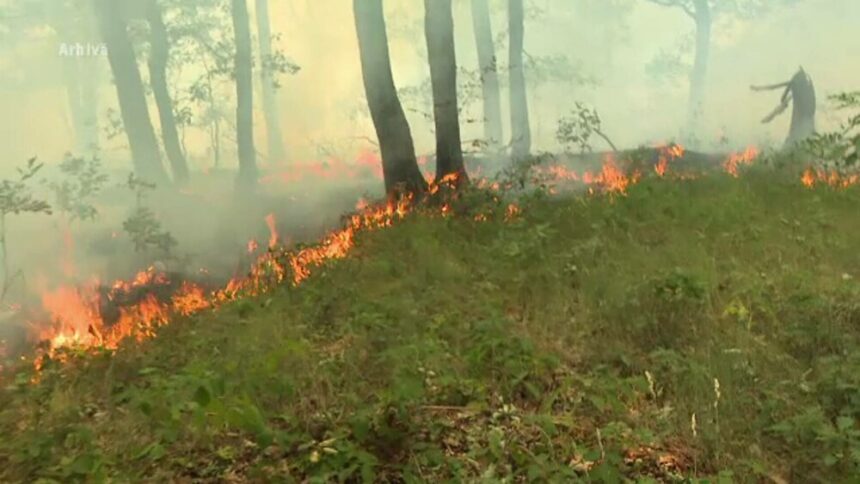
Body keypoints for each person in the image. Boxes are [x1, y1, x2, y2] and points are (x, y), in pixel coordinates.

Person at [751, 66, 816, 147]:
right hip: (806, 117)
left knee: (798, 134)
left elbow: (777, 90)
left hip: (803, 118)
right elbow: (782, 96)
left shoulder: (796, 83)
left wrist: (758, 89)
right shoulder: (804, 85)